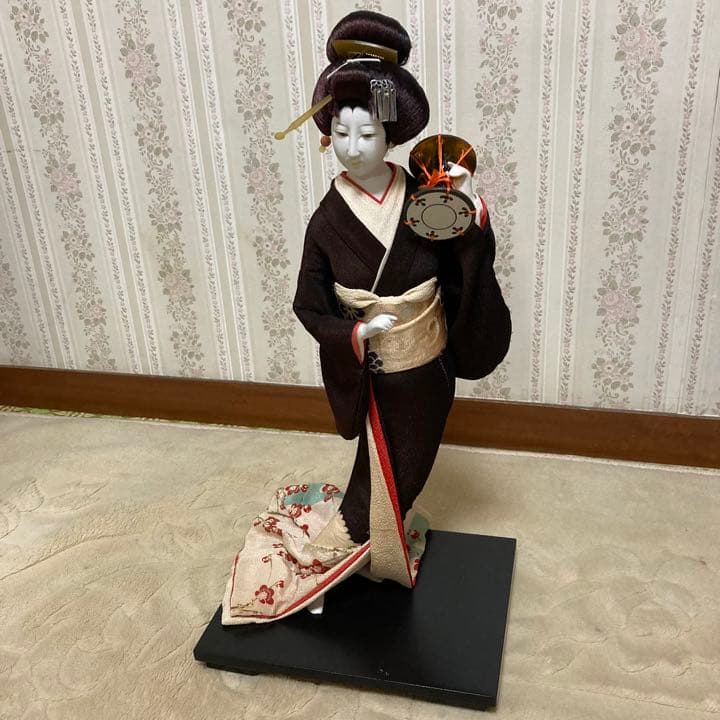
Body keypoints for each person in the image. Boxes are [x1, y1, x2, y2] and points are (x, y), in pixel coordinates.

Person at [221, 10, 510, 625]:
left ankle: (375, 549)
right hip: (376, 370)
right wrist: (353, 332)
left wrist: (469, 213)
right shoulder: (328, 222)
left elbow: (462, 259)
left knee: (415, 463)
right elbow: (308, 302)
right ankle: (346, 552)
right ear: (328, 135)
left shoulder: (424, 200)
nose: (355, 148)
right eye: (342, 133)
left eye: (368, 133)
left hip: (430, 366)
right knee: (378, 478)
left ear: (391, 133)